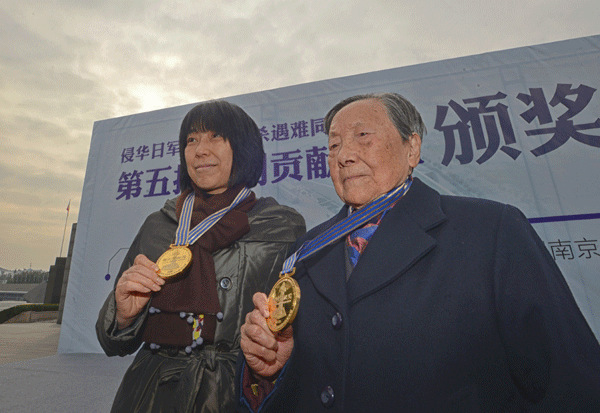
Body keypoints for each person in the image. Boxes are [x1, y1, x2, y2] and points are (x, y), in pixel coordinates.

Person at [238, 92, 600, 412]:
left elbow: (567, 380)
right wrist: (279, 367)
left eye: (363, 137)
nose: (344, 155)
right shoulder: (304, 251)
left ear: (412, 149)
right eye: (333, 146)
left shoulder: (491, 230)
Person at [96, 100, 305, 412]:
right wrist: (124, 314)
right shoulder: (159, 224)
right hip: (149, 392)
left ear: (243, 148)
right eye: (191, 140)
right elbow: (113, 341)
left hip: (235, 391)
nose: (200, 150)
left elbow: (300, 328)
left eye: (215, 137)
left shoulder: (281, 226)